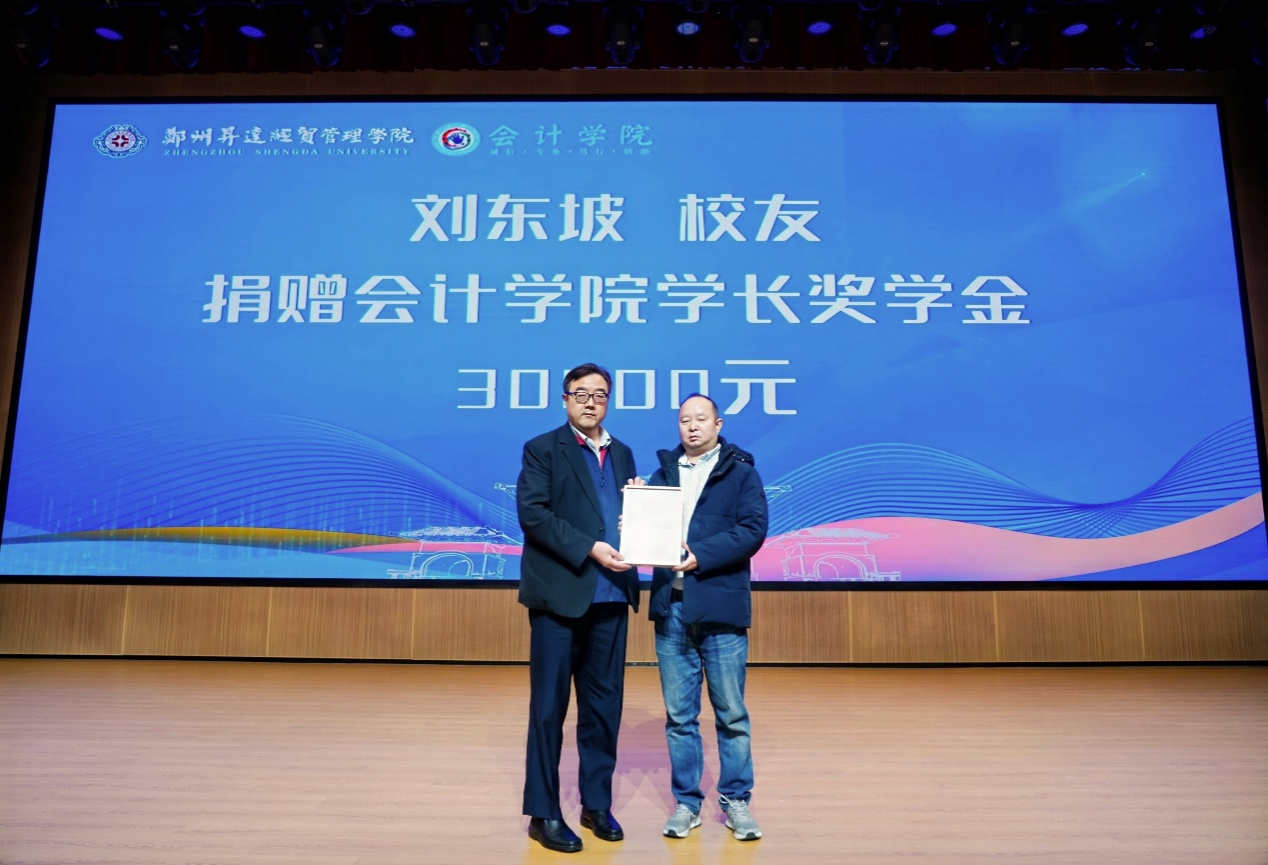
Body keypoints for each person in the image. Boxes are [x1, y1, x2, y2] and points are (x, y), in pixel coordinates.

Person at [516, 362, 641, 854]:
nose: (591, 402)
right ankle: (543, 813)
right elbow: (533, 514)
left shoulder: (623, 452)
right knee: (549, 709)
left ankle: (596, 803)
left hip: (611, 596)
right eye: (582, 393)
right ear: (565, 399)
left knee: (604, 709)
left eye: (600, 394)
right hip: (560, 596)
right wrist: (590, 547)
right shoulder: (543, 448)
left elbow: (628, 516)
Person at [646, 393, 768, 841]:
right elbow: (647, 532)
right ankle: (687, 803)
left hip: (720, 608)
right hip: (672, 608)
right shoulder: (662, 474)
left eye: (701, 419)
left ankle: (736, 800)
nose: (692, 426)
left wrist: (700, 555)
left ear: (718, 424)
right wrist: (634, 519)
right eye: (684, 420)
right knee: (680, 717)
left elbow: (753, 530)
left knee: (731, 714)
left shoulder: (741, 472)